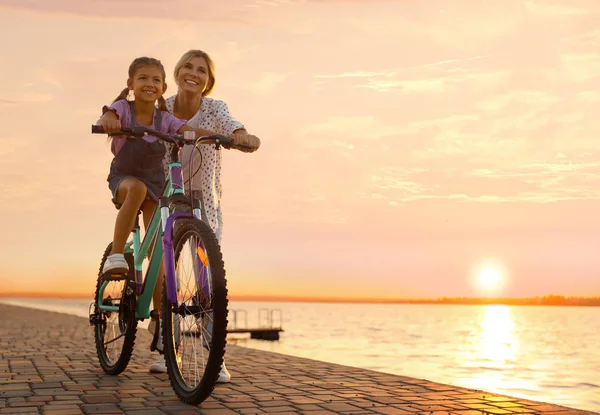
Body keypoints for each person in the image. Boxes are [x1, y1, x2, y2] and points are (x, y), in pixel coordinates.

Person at [147, 49, 261, 380]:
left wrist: (240, 135)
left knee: (205, 275)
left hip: (204, 201)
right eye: (188, 66)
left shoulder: (214, 109)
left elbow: (231, 125)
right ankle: (168, 348)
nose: (193, 73)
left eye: (202, 70)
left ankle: (215, 357)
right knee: (161, 266)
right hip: (168, 195)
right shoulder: (162, 108)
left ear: (209, 81)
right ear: (177, 71)